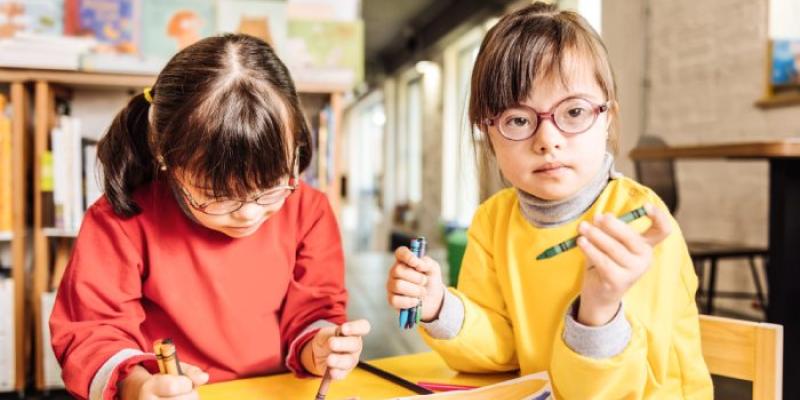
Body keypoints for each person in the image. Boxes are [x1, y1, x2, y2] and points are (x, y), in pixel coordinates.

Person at [386, 3, 712, 398]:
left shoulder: (639, 225)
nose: (548, 140)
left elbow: (643, 388)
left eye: (574, 111)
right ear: (488, 133)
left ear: (607, 118)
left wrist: (599, 307)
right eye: (519, 120)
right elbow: (501, 350)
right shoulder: (493, 220)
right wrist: (438, 304)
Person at [50, 34, 370, 400]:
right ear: (164, 155)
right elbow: (92, 332)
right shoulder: (120, 220)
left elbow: (315, 311)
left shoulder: (309, 210)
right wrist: (139, 387)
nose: (249, 212)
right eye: (217, 195)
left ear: (297, 144)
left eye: (272, 185)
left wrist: (323, 347)